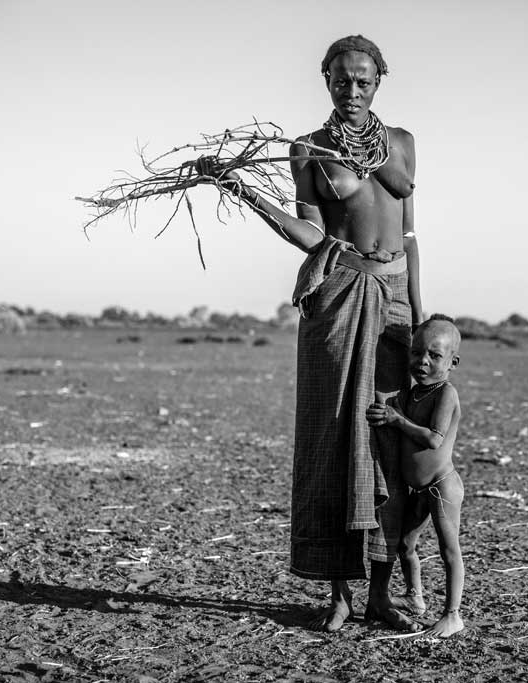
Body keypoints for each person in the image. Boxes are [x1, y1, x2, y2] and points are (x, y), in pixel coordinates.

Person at [195, 34, 423, 633]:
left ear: (379, 82)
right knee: (333, 437)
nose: (353, 90)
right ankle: (340, 595)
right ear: (325, 79)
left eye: (364, 81)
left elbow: (413, 235)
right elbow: (312, 233)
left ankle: (380, 594)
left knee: (384, 445)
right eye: (342, 79)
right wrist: (242, 192)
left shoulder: (402, 143)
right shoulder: (309, 148)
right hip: (341, 295)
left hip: (395, 301)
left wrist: (418, 315)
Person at [366, 315, 465, 637]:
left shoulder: (445, 393)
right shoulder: (412, 393)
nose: (423, 362)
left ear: (453, 362)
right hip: (416, 490)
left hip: (441, 486)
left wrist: (396, 419)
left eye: (435, 356)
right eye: (416, 353)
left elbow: (434, 438)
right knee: (405, 546)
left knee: (449, 549)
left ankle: (453, 615)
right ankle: (414, 596)